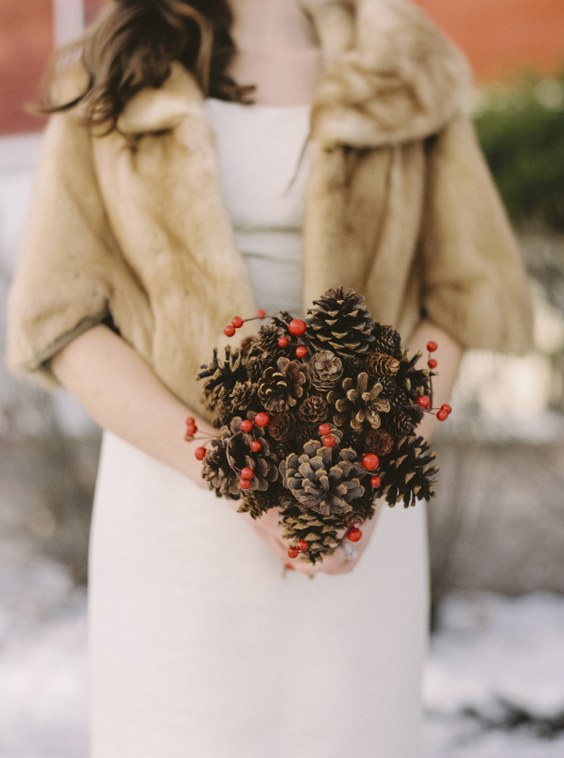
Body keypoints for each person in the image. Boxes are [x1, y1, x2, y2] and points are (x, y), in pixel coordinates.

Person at [6, 0, 532, 755]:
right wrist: (236, 472)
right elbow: (63, 321)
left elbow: (463, 298)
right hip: (176, 514)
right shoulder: (114, 66)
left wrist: (368, 469)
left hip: (358, 523)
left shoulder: (407, 63)